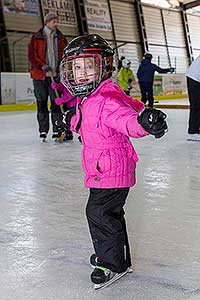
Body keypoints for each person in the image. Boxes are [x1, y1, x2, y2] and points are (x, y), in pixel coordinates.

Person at [57, 34, 167, 289]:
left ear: (103, 66)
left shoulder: (105, 99)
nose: (82, 73)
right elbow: (88, 124)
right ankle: (118, 257)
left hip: (110, 171)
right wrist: (69, 121)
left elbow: (126, 121)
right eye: (76, 67)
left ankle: (111, 263)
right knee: (110, 214)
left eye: (88, 66)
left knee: (98, 213)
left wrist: (143, 123)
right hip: (105, 169)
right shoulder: (92, 98)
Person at [28, 13, 68, 141]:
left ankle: (57, 129)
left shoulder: (61, 38)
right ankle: (43, 130)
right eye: (54, 21)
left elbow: (64, 54)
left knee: (56, 103)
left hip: (55, 76)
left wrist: (61, 69)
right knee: (42, 103)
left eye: (57, 21)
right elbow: (32, 55)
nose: (56, 24)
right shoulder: (37, 37)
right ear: (47, 22)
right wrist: (41, 66)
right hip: (39, 76)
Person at [185, 56, 200, 141]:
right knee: (196, 106)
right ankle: (192, 132)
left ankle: (196, 128)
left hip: (195, 77)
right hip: (195, 79)